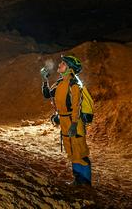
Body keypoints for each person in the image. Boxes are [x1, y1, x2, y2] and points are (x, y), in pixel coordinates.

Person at [41, 54, 94, 186]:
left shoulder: (74, 84)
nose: (59, 65)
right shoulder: (60, 83)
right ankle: (78, 179)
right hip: (64, 121)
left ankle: (86, 182)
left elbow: (76, 105)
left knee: (80, 150)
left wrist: (75, 124)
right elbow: (48, 94)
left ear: (70, 68)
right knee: (70, 149)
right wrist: (44, 80)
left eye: (63, 64)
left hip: (73, 121)